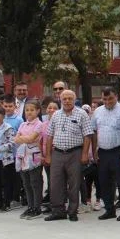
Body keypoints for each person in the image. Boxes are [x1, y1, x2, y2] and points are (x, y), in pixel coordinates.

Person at [44, 90, 93, 222]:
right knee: (55, 183)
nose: (67, 101)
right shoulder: (55, 115)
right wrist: (48, 155)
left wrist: (84, 154)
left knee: (74, 183)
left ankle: (72, 211)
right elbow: (49, 136)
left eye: (70, 98)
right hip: (58, 153)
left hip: (75, 153)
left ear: (74, 99)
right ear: (60, 100)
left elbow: (88, 135)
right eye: (64, 98)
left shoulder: (82, 114)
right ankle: (58, 211)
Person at [91, 87, 120, 221]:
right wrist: (94, 151)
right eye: (105, 99)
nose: (107, 101)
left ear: (117, 97)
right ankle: (109, 210)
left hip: (118, 151)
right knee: (104, 182)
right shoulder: (97, 111)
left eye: (110, 98)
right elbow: (94, 132)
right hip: (103, 152)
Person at [14, 100, 44, 219]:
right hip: (23, 155)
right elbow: (16, 139)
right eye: (27, 110)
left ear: (37, 111)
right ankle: (30, 206)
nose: (29, 112)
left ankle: (37, 207)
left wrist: (23, 138)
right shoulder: (22, 124)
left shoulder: (39, 124)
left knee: (35, 182)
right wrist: (23, 139)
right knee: (26, 183)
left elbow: (32, 138)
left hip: (34, 155)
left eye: (32, 110)